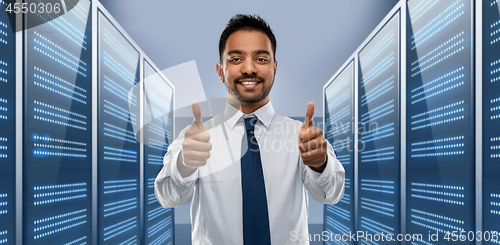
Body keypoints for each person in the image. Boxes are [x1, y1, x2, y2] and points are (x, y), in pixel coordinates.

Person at [155, 14, 345, 245]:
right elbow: (167, 198)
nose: (249, 69)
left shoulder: (302, 136)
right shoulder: (195, 139)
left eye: (261, 59)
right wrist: (184, 164)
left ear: (274, 68)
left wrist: (319, 164)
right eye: (236, 59)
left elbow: (331, 194)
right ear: (220, 70)